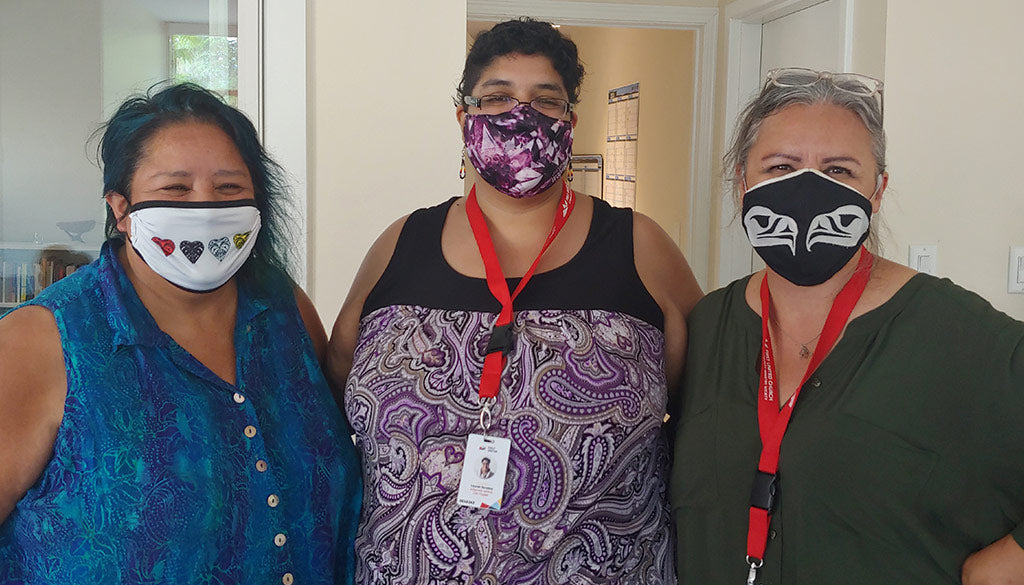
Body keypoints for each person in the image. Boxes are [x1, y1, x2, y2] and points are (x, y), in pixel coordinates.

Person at [329, 17, 702, 584]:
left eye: (544, 101)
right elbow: (335, 391)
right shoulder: (399, 245)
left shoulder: (640, 248)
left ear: (570, 124)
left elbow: (705, 403)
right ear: (464, 118)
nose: (519, 115)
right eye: (497, 97)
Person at [670, 67, 1024, 585]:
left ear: (877, 191)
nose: (807, 188)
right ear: (741, 184)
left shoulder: (956, 332)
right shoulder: (710, 326)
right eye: (781, 166)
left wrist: (1003, 567)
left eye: (838, 171)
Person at [0, 83, 361, 584]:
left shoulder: (285, 310)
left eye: (230, 187)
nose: (206, 207)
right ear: (120, 207)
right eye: (176, 188)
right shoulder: (42, 340)